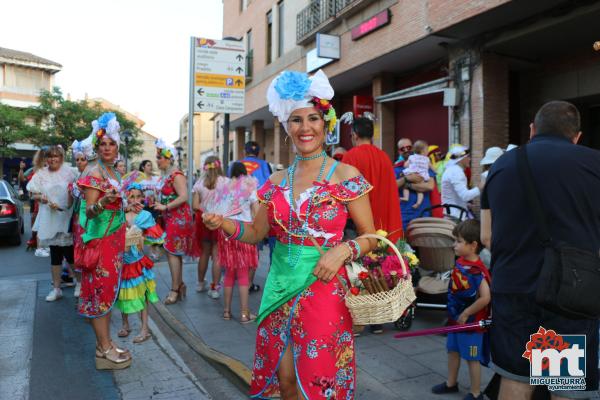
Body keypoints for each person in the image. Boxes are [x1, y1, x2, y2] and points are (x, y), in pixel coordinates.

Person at [203, 69, 377, 399]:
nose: (305, 127)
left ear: (326, 123)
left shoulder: (344, 173)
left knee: (317, 382)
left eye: (313, 118)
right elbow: (256, 233)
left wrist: (342, 250)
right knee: (284, 382)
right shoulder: (277, 180)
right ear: (287, 127)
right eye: (296, 120)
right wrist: (223, 223)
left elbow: (371, 235)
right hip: (279, 287)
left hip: (323, 286)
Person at [481, 100, 600, 399]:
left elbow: (486, 236)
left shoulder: (502, 165)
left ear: (533, 130)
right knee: (562, 381)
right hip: (570, 291)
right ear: (577, 136)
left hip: (514, 286)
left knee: (517, 376)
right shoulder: (594, 163)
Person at [77, 112, 133, 369]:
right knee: (99, 293)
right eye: (103, 144)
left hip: (114, 241)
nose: (107, 148)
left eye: (111, 144)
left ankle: (106, 344)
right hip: (99, 242)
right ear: (97, 147)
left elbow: (118, 207)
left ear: (117, 146)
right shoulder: (93, 171)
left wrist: (128, 205)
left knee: (108, 293)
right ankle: (103, 346)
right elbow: (89, 211)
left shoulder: (112, 172)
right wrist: (104, 201)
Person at [432, 219, 491, 400]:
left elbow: (486, 297)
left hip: (471, 325)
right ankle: (451, 383)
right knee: (453, 351)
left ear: (473, 245)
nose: (454, 244)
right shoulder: (461, 262)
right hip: (455, 320)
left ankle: (475, 393)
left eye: (458, 241)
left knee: (472, 357)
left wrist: (466, 313)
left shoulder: (477, 271)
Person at [27, 145, 78, 301]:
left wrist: (68, 204)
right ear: (45, 158)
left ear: (61, 157)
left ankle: (80, 283)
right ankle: (56, 289)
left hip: (66, 217)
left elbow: (78, 191)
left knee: (70, 253)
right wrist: (41, 198)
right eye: (49, 156)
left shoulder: (71, 172)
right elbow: (32, 193)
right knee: (55, 254)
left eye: (56, 156)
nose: (52, 159)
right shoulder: (41, 174)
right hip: (49, 217)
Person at [116, 183, 164, 343]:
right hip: (123, 262)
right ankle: (125, 324)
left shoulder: (145, 216)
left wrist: (143, 240)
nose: (135, 200)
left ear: (143, 198)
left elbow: (154, 240)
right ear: (126, 198)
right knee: (122, 294)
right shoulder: (120, 215)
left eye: (138, 197)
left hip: (138, 262)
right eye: (131, 197)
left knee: (143, 295)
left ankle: (145, 328)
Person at [342, 117, 403, 243]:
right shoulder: (384, 157)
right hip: (384, 221)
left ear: (355, 135)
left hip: (360, 224)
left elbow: (344, 193)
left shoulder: (350, 156)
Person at [153, 138, 199, 304]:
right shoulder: (167, 175)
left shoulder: (176, 175)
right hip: (171, 218)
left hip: (178, 218)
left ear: (169, 158)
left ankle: (175, 289)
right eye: (157, 157)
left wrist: (165, 207)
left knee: (172, 253)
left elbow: (185, 196)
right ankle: (179, 285)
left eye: (160, 157)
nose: (157, 161)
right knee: (173, 253)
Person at [217, 162, 259, 322]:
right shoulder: (250, 188)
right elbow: (255, 213)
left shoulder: (223, 188)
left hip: (227, 231)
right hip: (244, 231)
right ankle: (244, 313)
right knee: (243, 274)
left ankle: (226, 311)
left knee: (229, 272)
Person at [192, 156, 225, 299]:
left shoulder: (199, 183)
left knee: (204, 253)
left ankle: (200, 284)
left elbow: (194, 206)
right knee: (217, 254)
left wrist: (206, 211)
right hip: (219, 221)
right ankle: (215, 288)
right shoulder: (226, 182)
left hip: (204, 221)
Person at [441, 145, 480, 220]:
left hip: (452, 213)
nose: (470, 159)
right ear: (462, 158)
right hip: (455, 216)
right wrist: (480, 188)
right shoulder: (456, 172)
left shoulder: (452, 170)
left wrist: (465, 204)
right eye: (468, 157)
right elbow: (465, 196)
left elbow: (455, 196)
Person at [400, 140, 432, 208]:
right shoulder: (395, 168)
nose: (406, 150)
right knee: (419, 191)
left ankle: (411, 199)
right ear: (399, 151)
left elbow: (430, 186)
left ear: (413, 148)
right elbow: (391, 186)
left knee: (407, 188)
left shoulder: (422, 162)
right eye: (402, 149)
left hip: (423, 212)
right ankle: (417, 202)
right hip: (404, 213)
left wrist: (408, 184)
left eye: (408, 147)